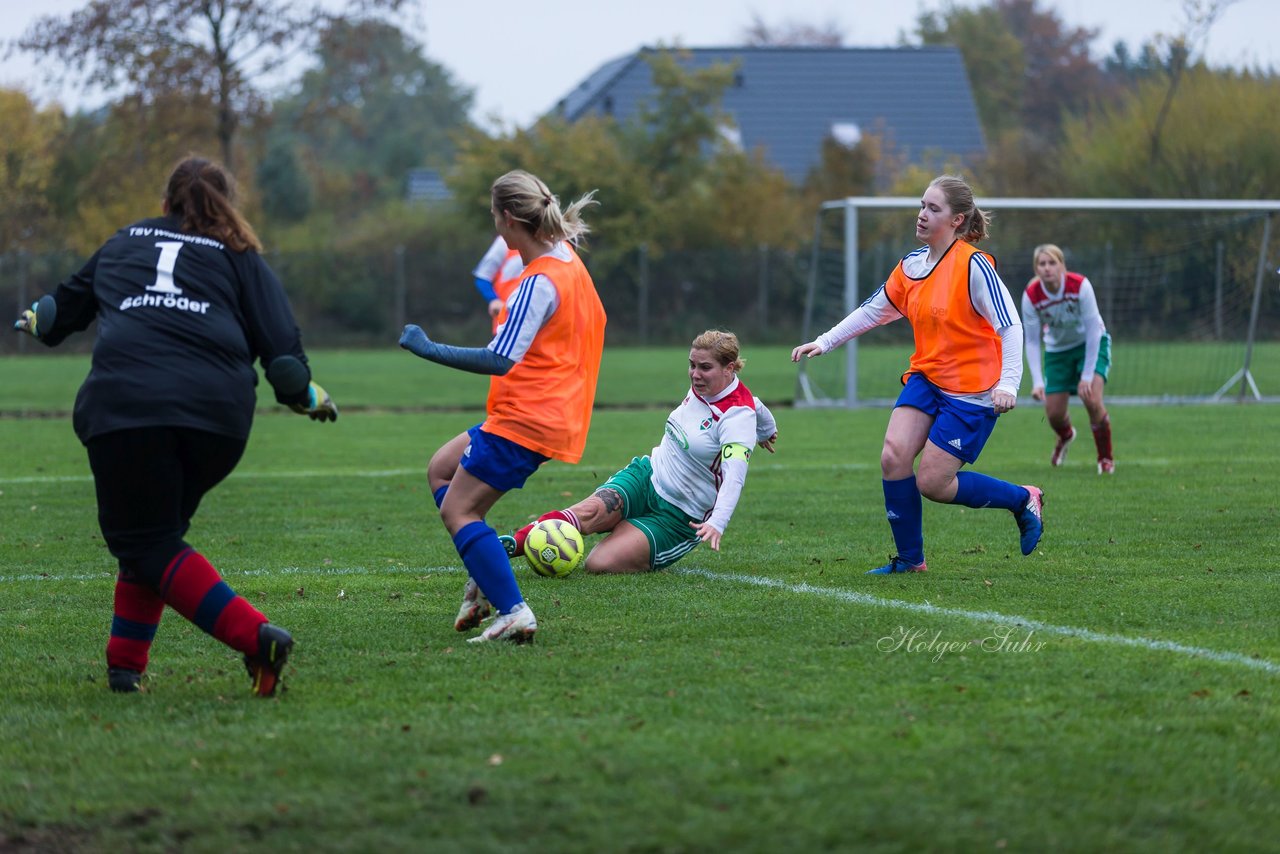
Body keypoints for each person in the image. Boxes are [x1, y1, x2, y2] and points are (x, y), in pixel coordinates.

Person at [12, 156, 337, 695]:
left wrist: (31, 318)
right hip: (218, 419)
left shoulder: (125, 240)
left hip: (127, 408)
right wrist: (306, 395)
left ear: (164, 205)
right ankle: (124, 670)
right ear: (226, 205)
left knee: (145, 539)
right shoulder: (241, 254)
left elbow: (55, 312)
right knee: (155, 536)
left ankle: (258, 637)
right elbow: (284, 363)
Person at [791, 174, 1043, 575]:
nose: (922, 215)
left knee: (933, 484)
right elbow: (874, 309)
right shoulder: (911, 265)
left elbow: (1010, 326)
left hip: (972, 390)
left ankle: (1023, 499)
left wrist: (1010, 383)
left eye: (933, 208)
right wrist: (825, 341)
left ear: (957, 220)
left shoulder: (974, 266)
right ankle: (910, 561)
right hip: (927, 378)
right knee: (893, 457)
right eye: (922, 206)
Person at [399, 169, 606, 643]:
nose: (494, 225)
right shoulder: (567, 259)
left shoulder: (539, 281)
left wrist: (428, 347)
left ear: (509, 219)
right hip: (540, 413)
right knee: (441, 470)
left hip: (529, 418)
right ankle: (486, 569)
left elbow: (499, 358)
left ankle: (514, 611)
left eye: (494, 216)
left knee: (459, 512)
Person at [498, 330, 779, 573]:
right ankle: (511, 545)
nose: (695, 374)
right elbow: (757, 404)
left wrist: (718, 521)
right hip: (646, 476)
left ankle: (629, 529)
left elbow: (735, 476)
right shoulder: (710, 387)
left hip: (679, 517)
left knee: (599, 564)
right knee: (585, 513)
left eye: (704, 367)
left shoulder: (736, 418)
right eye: (692, 365)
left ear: (729, 368)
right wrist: (767, 430)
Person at [1021, 243, 1114, 474]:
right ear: (1036, 269)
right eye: (1041, 264)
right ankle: (1066, 435)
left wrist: (1086, 376)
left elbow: (1093, 330)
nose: (1047, 268)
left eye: (1052, 262)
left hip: (1090, 344)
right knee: (1053, 414)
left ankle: (1105, 458)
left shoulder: (1080, 286)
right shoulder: (1031, 296)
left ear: (1062, 265)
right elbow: (1032, 341)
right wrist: (1037, 381)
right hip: (1057, 351)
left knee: (1092, 399)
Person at [471, 235, 526, 331]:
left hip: (541, 325)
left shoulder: (557, 243)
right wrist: (493, 299)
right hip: (506, 323)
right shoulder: (505, 241)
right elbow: (482, 277)